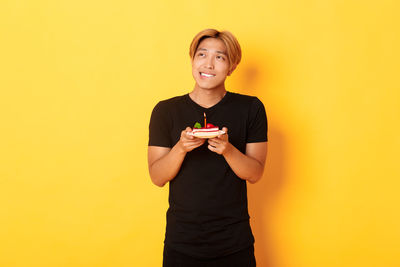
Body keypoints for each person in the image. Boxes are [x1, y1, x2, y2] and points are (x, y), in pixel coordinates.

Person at [148, 28, 268, 267]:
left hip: (234, 242)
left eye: (220, 57)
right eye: (202, 55)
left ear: (232, 66)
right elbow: (157, 177)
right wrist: (181, 148)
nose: (209, 64)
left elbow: (255, 174)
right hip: (181, 242)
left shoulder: (251, 108)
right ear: (192, 60)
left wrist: (228, 149)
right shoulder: (165, 111)